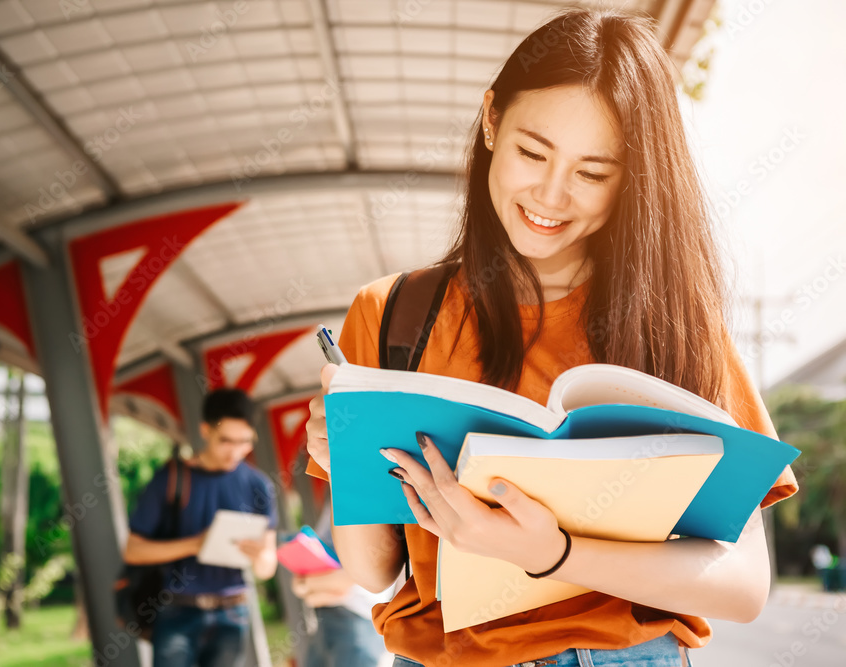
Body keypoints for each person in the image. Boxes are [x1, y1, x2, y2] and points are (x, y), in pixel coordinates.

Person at [304, 8, 799, 667]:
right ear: (490, 121)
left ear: (633, 181)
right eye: (532, 152)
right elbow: (374, 572)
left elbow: (741, 583)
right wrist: (346, 456)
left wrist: (554, 554)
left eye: (593, 173)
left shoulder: (674, 327)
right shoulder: (391, 314)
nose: (551, 194)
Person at [125, 387, 278, 667]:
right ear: (205, 430)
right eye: (226, 441)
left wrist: (261, 558)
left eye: (244, 442)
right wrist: (196, 544)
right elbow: (133, 551)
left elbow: (267, 567)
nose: (235, 451)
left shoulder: (260, 486)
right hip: (177, 610)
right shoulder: (170, 479)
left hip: (233, 612)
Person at [292, 495, 394, 667]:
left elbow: (358, 576)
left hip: (359, 623)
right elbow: (299, 586)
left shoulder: (378, 500)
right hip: (326, 620)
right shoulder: (336, 501)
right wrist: (314, 586)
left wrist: (308, 584)